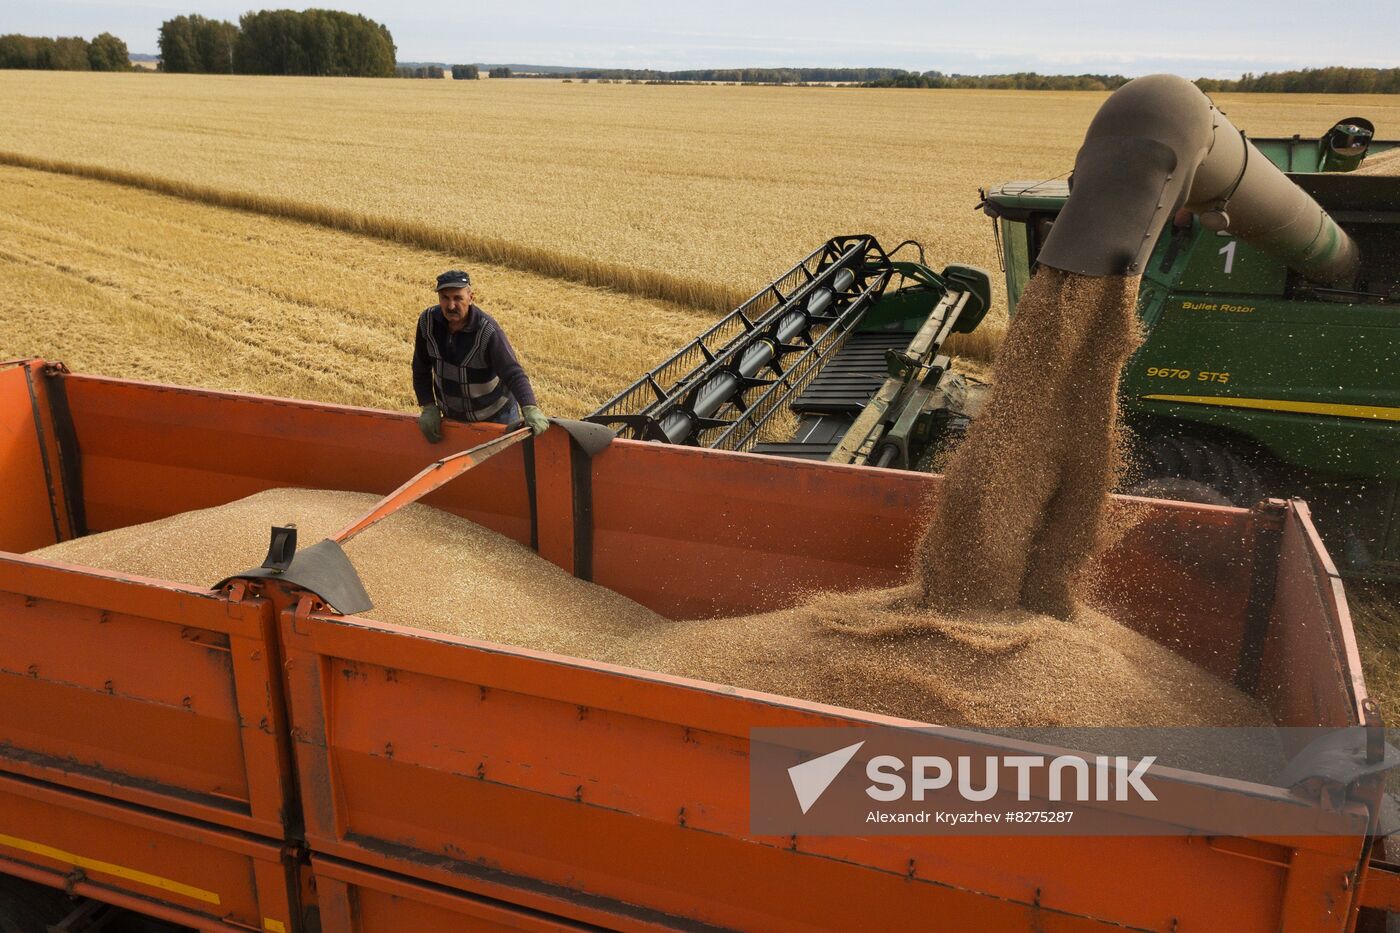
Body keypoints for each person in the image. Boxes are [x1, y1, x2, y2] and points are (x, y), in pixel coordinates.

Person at [412, 270, 550, 443]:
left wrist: (530, 407)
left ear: (471, 297)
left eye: (458, 298)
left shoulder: (487, 332)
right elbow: (420, 367)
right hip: (453, 418)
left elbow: (512, 373)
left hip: (496, 416)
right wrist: (428, 405)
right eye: (445, 298)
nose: (451, 305)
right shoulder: (427, 322)